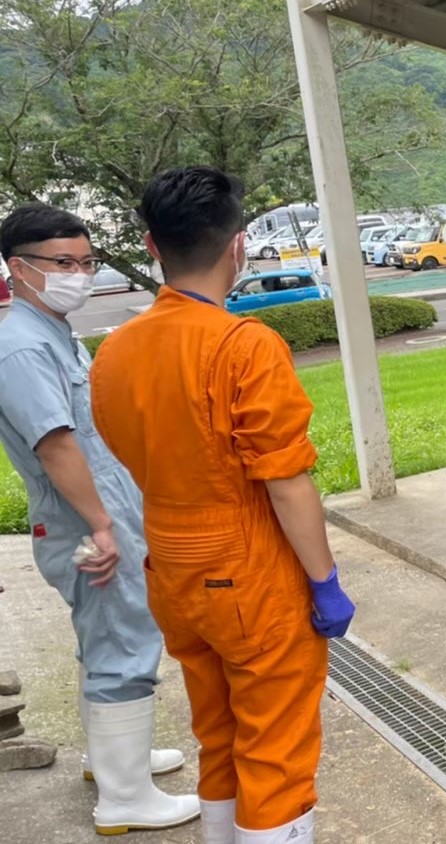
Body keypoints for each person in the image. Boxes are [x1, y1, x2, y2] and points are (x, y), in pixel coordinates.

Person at [90, 167, 356, 844]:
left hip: (170, 568)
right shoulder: (243, 345)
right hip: (247, 573)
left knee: (220, 733)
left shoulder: (115, 351)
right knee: (276, 748)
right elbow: (285, 480)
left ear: (152, 245)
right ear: (238, 245)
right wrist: (324, 581)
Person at [0, 204, 200, 835]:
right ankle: (125, 798)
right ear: (19, 269)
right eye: (63, 263)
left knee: (106, 638)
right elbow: (55, 445)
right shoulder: (21, 346)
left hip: (99, 512)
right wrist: (103, 526)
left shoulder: (53, 332)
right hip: (84, 521)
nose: (79, 275)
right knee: (124, 642)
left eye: (87, 262)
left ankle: (115, 761)